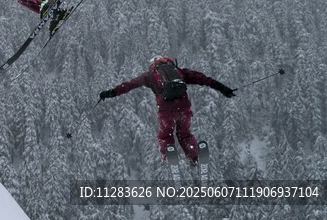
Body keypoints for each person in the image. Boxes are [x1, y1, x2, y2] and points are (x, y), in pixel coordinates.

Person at [98, 56, 236, 163]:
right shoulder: (179, 71)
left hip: (166, 112)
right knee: (185, 135)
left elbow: (128, 85)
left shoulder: (149, 76)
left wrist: (110, 93)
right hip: (184, 110)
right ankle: (194, 157)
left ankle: (170, 156)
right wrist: (223, 89)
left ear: (152, 65)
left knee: (165, 136)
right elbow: (204, 79)